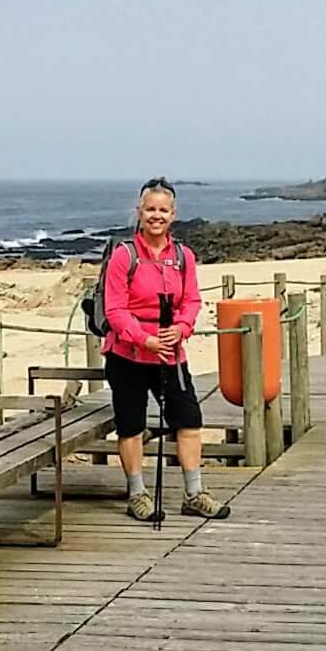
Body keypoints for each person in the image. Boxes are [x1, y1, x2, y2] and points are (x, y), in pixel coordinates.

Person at [100, 177, 231, 522]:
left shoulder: (184, 257)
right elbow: (114, 310)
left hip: (171, 354)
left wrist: (182, 329)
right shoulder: (123, 257)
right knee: (131, 425)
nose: (156, 215)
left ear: (173, 214)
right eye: (150, 209)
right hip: (127, 355)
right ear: (139, 212)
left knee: (189, 420)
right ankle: (137, 494)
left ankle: (194, 493)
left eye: (163, 210)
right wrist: (145, 339)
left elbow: (191, 301)